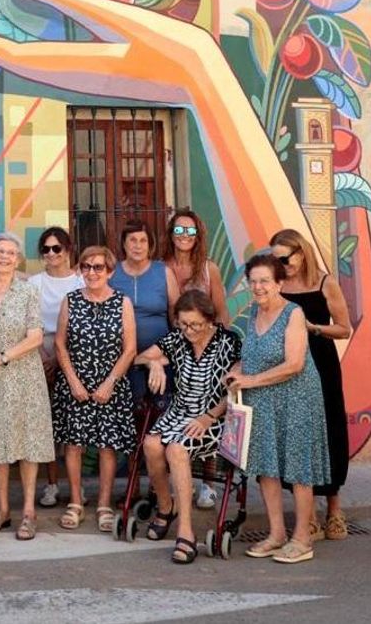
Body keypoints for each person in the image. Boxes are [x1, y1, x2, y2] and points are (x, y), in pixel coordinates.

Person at [228, 254, 329, 565]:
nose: (258, 287)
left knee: (299, 470)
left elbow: (295, 364)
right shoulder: (251, 315)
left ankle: (302, 537)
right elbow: (253, 357)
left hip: (296, 399)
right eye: (253, 281)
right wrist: (235, 372)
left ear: (279, 283)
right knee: (267, 469)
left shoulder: (293, 314)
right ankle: (276, 534)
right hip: (263, 401)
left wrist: (250, 380)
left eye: (265, 281)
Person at [133, 291, 241, 563]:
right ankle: (166, 507)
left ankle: (186, 532)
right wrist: (155, 363)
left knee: (177, 450)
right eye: (183, 324)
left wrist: (210, 417)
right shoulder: (178, 338)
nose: (189, 330)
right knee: (151, 444)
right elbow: (138, 359)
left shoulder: (229, 343)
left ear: (210, 320)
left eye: (195, 325)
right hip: (179, 412)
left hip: (214, 417)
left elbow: (237, 389)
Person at [0, 232, 53, 540]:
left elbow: (35, 337)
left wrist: (0, 358)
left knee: (29, 443)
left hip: (25, 375)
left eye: (10, 253)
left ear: (18, 259)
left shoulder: (28, 291)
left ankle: (28, 511)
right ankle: (3, 510)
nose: (4, 257)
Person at [271, 228, 352, 541]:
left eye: (285, 258)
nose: (281, 265)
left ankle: (334, 508)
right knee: (295, 434)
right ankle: (310, 518)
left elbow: (344, 329)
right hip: (288, 364)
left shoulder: (324, 282)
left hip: (321, 361)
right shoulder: (277, 285)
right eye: (276, 260)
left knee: (329, 430)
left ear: (301, 252)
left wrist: (313, 328)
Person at [53, 245, 137, 534]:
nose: (91, 272)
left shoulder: (122, 302)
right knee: (73, 445)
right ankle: (76, 501)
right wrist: (74, 381)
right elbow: (60, 344)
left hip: (110, 384)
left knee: (106, 446)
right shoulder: (71, 300)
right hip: (76, 383)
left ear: (110, 271)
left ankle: (104, 503)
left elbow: (130, 349)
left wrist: (109, 384)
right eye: (86, 267)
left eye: (98, 267)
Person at [163, 209, 229, 511]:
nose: (184, 236)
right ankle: (179, 481)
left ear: (198, 235)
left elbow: (221, 310)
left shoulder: (208, 269)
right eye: (179, 231)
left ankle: (209, 485)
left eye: (190, 231)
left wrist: (225, 349)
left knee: (207, 411)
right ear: (171, 234)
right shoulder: (162, 267)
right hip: (176, 350)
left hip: (207, 348)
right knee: (178, 413)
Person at [27, 226, 83, 508]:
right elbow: (30, 322)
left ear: (67, 249)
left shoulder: (81, 281)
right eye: (46, 249)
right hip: (39, 352)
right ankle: (51, 484)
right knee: (46, 423)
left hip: (73, 355)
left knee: (74, 424)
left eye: (56, 248)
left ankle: (77, 486)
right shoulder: (34, 283)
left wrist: (64, 360)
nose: (51, 254)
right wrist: (42, 356)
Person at [110, 220, 179, 414]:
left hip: (161, 354)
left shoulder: (163, 272)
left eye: (143, 240)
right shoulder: (112, 273)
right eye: (132, 240)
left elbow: (177, 317)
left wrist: (162, 356)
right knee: (131, 416)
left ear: (150, 245)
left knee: (161, 412)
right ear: (124, 244)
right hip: (122, 358)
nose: (138, 245)